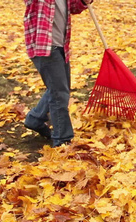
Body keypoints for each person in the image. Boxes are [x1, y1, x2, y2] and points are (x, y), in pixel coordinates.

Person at [22, 0, 93, 147]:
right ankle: (62, 140)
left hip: (61, 47)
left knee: (59, 88)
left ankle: (35, 119)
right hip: (45, 47)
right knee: (59, 94)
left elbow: (74, 7)